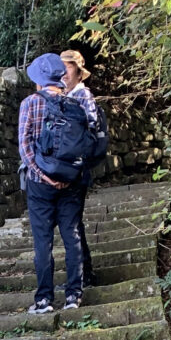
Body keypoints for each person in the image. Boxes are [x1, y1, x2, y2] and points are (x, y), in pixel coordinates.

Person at [18, 53, 85, 314]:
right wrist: (69, 174)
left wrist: (43, 174)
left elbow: (24, 146)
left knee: (43, 240)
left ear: (38, 80)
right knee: (72, 236)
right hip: (71, 181)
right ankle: (73, 296)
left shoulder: (30, 103)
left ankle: (44, 299)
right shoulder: (74, 105)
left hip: (39, 184)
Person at [61, 49, 102, 288]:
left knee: (73, 222)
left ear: (78, 71)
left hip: (77, 168)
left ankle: (84, 274)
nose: (64, 73)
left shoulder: (83, 95)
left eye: (68, 68)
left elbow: (90, 129)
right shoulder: (63, 95)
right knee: (72, 222)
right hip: (66, 168)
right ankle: (83, 272)